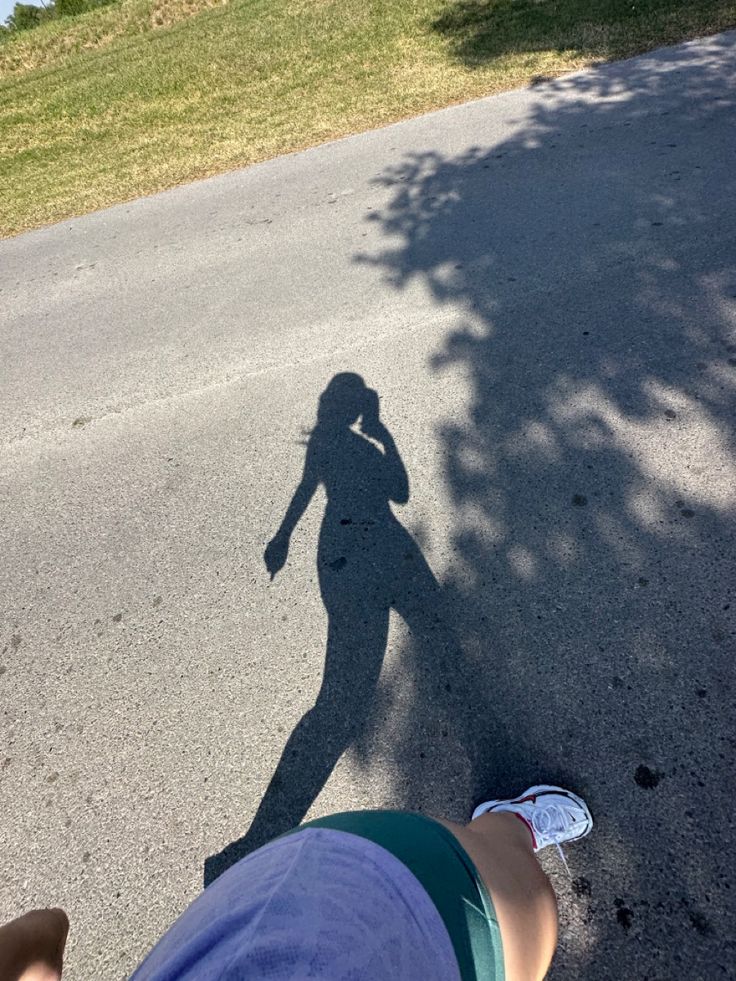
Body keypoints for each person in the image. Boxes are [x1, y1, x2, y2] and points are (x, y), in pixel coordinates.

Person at [1, 786, 592, 980]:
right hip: (304, 892)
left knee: (532, 909)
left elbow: (40, 936)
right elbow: (41, 936)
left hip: (364, 897)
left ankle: (510, 824)